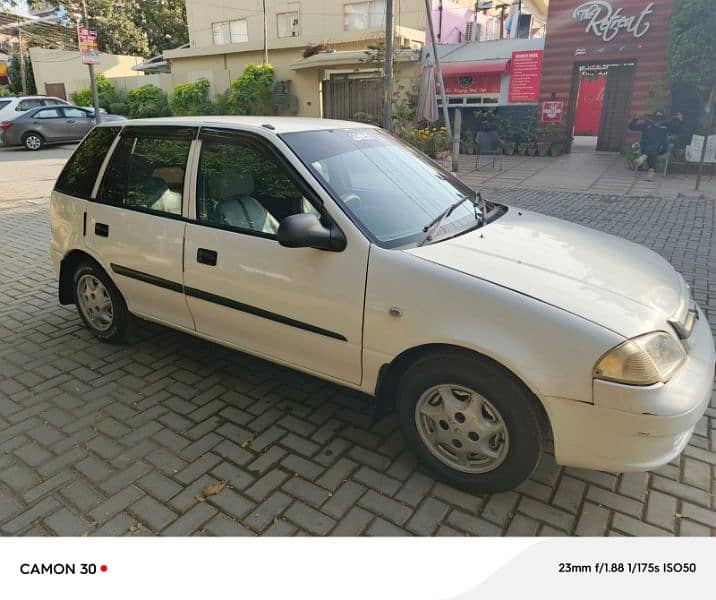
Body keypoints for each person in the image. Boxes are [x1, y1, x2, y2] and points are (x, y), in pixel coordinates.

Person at [628, 111, 684, 181]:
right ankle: (651, 171)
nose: (658, 119)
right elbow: (631, 127)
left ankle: (644, 157)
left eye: (660, 117)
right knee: (652, 151)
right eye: (657, 117)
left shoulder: (666, 125)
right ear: (654, 117)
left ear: (663, 118)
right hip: (647, 148)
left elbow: (678, 131)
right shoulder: (647, 124)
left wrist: (680, 120)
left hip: (661, 148)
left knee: (655, 144)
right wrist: (635, 119)